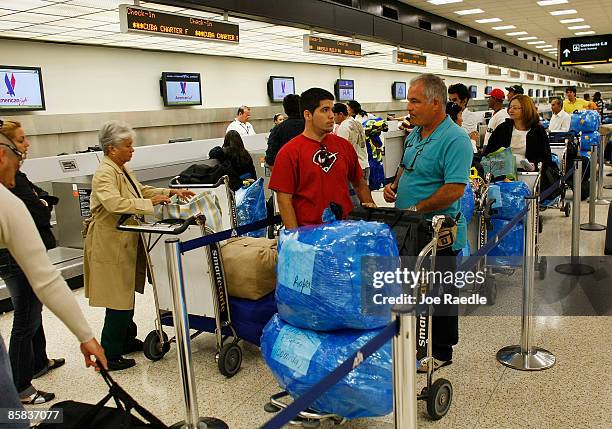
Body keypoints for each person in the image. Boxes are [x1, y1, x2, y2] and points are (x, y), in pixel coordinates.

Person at [0, 133, 107, 427]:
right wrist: (86, 337)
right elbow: (45, 278)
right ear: (1, 156)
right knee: (9, 418)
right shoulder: (6, 203)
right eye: (18, 159)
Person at [83, 121, 194, 371]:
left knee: (126, 294)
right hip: (109, 244)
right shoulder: (105, 173)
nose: (132, 150)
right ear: (112, 149)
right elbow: (114, 203)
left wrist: (169, 192)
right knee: (118, 299)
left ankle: (125, 339)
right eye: (128, 146)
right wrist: (150, 204)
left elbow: (139, 190)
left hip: (124, 241)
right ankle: (109, 354)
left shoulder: (121, 169)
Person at [383, 74, 473, 371]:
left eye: (414, 101)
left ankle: (441, 351)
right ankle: (413, 340)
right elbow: (406, 167)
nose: (408, 106)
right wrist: (394, 186)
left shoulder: (455, 139)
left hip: (438, 231)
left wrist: (416, 207)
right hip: (409, 228)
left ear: (436, 103)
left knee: (440, 293)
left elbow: (454, 189)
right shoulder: (415, 134)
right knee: (413, 288)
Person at [0, 121, 65, 405]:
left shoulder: (18, 177)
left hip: (16, 256)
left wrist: (41, 202)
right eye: (22, 140)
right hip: (16, 259)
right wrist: (41, 204)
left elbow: (44, 201)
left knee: (32, 314)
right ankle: (21, 387)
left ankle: (38, 361)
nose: (27, 145)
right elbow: (38, 213)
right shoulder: (12, 179)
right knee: (26, 318)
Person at [269, 88, 375, 228]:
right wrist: (295, 238)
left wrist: (372, 218)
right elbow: (284, 200)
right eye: (325, 110)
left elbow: (359, 183)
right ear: (308, 114)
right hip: (310, 235)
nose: (331, 115)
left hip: (345, 230)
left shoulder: (343, 146)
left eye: (332, 109)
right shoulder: (289, 153)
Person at [484, 94, 552, 171]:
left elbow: (546, 158)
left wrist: (534, 166)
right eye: (510, 107)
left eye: (515, 108)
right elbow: (489, 152)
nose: (511, 110)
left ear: (526, 109)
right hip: (502, 174)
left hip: (529, 175)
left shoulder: (537, 131)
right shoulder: (503, 128)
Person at [332, 102, 369, 182]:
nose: (332, 118)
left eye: (334, 115)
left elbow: (341, 150)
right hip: (364, 165)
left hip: (353, 169)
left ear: (340, 114)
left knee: (352, 194)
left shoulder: (344, 126)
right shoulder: (357, 122)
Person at [265, 94, 304, 167]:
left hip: (286, 170)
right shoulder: (312, 126)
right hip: (310, 172)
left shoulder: (277, 129)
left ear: (285, 110)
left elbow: (270, 158)